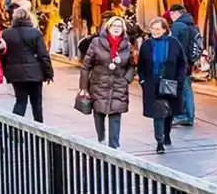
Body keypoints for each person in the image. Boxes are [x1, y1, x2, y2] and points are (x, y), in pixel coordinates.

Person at [79, 17, 133, 148]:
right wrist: (83, 87)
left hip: (119, 84)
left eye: (119, 26)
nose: (116, 28)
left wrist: (126, 79)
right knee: (99, 112)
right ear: (108, 27)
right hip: (99, 83)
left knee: (115, 114)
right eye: (114, 25)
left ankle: (114, 146)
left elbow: (131, 65)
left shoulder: (127, 45)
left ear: (123, 29)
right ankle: (101, 139)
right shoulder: (96, 42)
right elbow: (86, 66)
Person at [139, 17, 188, 154]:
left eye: (158, 29)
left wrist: (180, 80)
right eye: (153, 29)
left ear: (165, 30)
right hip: (152, 84)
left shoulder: (173, 43)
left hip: (170, 82)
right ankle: (159, 141)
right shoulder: (146, 45)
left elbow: (182, 63)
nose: (155, 32)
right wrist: (142, 81)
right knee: (158, 113)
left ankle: (167, 134)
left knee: (169, 112)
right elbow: (141, 65)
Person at [1, 7, 54, 123]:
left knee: (20, 101)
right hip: (35, 73)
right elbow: (43, 55)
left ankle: (15, 130)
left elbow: (3, 55)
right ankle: (39, 130)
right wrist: (49, 73)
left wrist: (6, 72)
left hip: (16, 74)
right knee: (37, 104)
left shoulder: (6, 34)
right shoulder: (35, 33)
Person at [167, 4, 200, 127]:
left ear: (176, 13)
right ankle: (189, 116)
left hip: (179, 63)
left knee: (181, 89)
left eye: (171, 14)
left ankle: (181, 116)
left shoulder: (177, 26)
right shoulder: (192, 24)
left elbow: (173, 45)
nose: (170, 17)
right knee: (187, 88)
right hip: (188, 62)